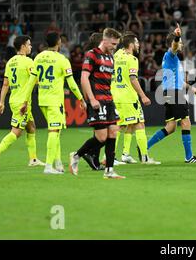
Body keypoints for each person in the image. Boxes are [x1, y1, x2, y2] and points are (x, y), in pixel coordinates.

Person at [21, 33, 86, 174]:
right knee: (54, 131)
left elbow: (31, 82)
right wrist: (81, 98)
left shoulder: (38, 57)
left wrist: (25, 100)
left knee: (56, 131)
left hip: (42, 100)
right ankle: (48, 166)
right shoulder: (62, 59)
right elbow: (72, 84)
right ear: (59, 42)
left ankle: (58, 164)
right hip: (54, 101)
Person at [69, 28, 126, 179]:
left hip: (109, 100)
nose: (115, 46)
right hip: (97, 100)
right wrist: (91, 99)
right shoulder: (91, 55)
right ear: (105, 40)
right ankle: (76, 155)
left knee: (114, 131)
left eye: (116, 44)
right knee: (101, 137)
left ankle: (109, 171)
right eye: (113, 43)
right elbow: (84, 78)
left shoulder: (111, 58)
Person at [147, 23, 196, 163]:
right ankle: (189, 157)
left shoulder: (174, 60)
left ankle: (144, 147)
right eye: (180, 43)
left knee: (171, 127)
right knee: (186, 122)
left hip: (170, 92)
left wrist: (192, 88)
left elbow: (179, 81)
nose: (182, 45)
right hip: (174, 93)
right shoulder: (170, 55)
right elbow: (174, 47)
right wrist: (177, 36)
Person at [0, 36, 45, 168]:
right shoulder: (28, 62)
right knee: (16, 132)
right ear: (23, 46)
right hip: (22, 102)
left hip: (14, 99)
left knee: (31, 127)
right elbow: (35, 80)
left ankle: (33, 159)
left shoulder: (10, 62)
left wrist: (1, 102)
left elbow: (5, 84)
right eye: (29, 44)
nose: (30, 47)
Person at [111, 33, 160, 165]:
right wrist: (143, 95)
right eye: (137, 43)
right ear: (131, 44)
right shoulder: (132, 59)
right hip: (128, 97)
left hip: (116, 95)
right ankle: (144, 157)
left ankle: (124, 154)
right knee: (138, 124)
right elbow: (133, 79)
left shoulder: (116, 56)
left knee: (128, 124)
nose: (139, 45)